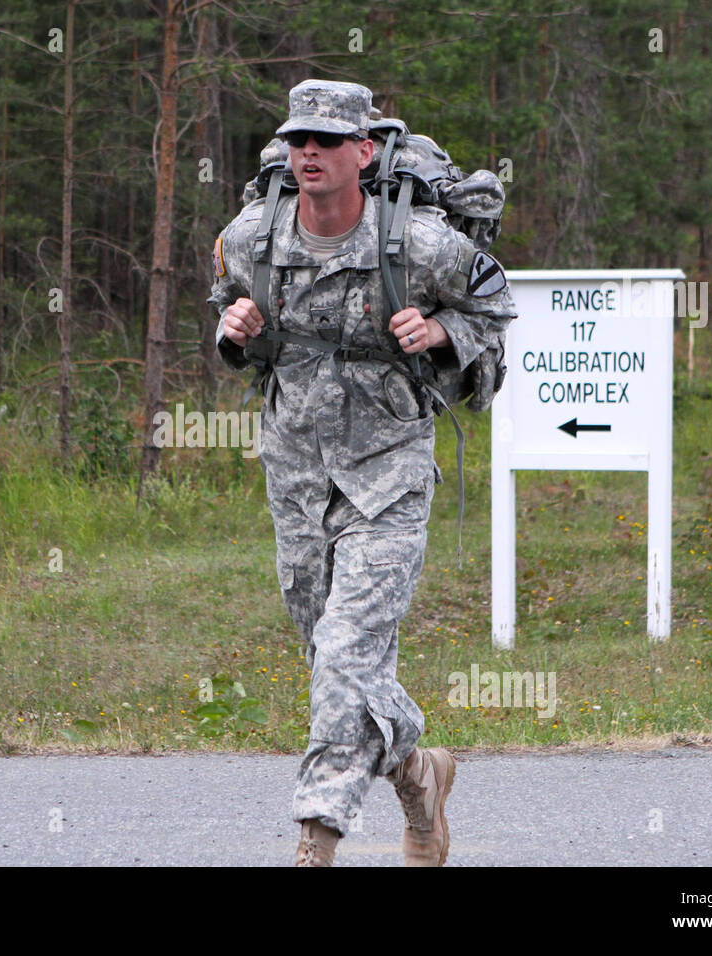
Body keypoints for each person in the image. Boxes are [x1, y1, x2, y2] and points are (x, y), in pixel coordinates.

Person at [208, 79, 517, 866]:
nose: (308, 153)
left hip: (389, 473)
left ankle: (318, 835)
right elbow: (230, 310)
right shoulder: (252, 237)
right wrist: (234, 328)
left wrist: (443, 330)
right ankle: (420, 774)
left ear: (364, 151)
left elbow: (493, 317)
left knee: (347, 650)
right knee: (333, 658)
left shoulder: (421, 245)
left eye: (326, 141)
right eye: (297, 140)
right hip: (297, 474)